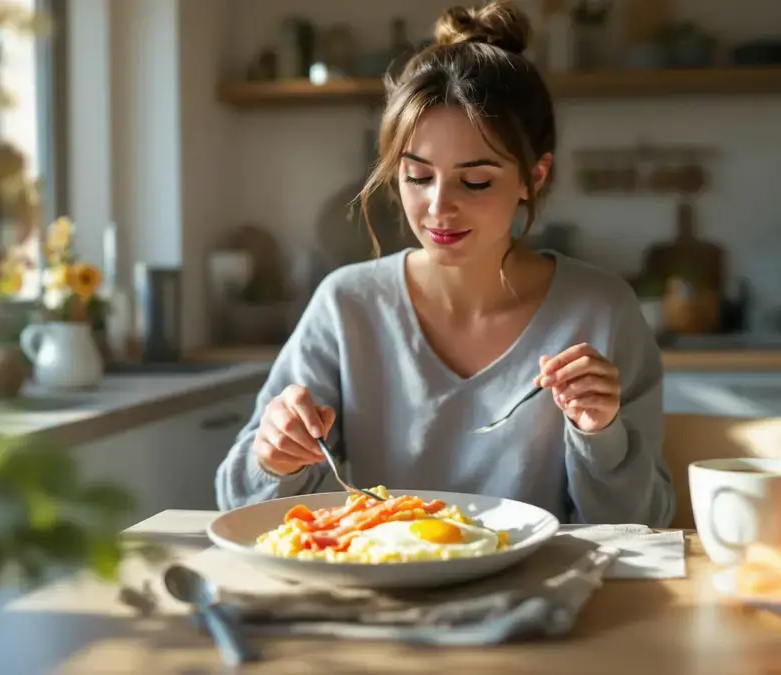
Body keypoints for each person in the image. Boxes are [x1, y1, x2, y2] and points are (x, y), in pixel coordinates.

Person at [215, 0, 675, 527]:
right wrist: (274, 456)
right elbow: (239, 504)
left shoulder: (600, 309)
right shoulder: (347, 305)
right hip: (380, 593)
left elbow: (648, 524)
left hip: (541, 596)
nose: (438, 207)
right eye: (417, 176)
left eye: (476, 180)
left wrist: (602, 434)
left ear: (535, 177)